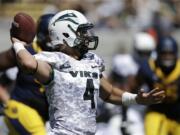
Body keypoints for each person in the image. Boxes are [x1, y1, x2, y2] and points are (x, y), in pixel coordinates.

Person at [11, 10, 165, 135]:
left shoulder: (92, 61)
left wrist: (136, 99)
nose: (87, 36)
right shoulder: (54, 61)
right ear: (66, 34)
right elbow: (28, 63)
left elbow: (109, 93)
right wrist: (18, 43)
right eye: (82, 32)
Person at [0, 13, 54, 135]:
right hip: (22, 108)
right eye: (53, 36)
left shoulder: (63, 55)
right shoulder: (25, 51)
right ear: (43, 35)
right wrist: (6, 100)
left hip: (41, 115)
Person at [136, 36, 180, 135]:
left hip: (178, 116)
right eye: (164, 53)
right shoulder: (148, 68)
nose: (167, 57)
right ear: (158, 54)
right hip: (156, 112)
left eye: (170, 53)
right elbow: (132, 86)